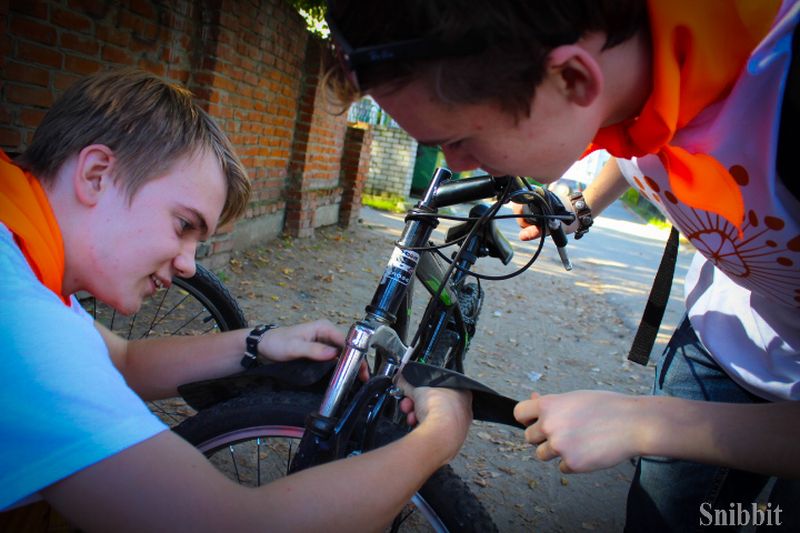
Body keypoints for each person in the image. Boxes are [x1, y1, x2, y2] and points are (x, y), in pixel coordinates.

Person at [324, 0, 800, 530]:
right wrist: (577, 210)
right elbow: (637, 128)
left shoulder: (779, 96)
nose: (453, 163)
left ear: (573, 78)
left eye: (458, 139)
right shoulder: (639, 55)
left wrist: (646, 421)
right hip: (723, 341)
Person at [0, 67, 472, 531]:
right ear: (97, 174)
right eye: (184, 225)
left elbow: (119, 361)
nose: (188, 264)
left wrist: (261, 342)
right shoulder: (20, 319)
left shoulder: (19, 247)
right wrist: (437, 438)